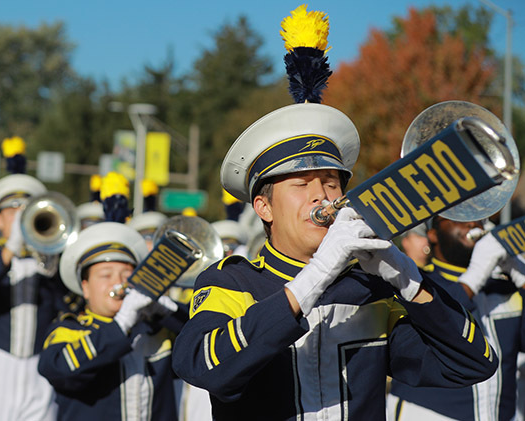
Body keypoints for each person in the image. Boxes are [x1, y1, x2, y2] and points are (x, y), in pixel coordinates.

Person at [171, 5, 498, 420]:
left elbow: (474, 363)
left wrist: (409, 281)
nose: (322, 197)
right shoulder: (232, 281)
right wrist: (315, 278)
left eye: (331, 183)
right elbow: (201, 365)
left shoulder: (371, 292)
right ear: (263, 206)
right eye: (301, 184)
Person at [0, 137, 66, 421]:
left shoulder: (48, 254)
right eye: (12, 210)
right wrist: (9, 251)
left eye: (26, 209)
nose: (20, 217)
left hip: (38, 366)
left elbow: (67, 300)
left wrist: (47, 259)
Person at [38, 222, 185, 420]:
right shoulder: (68, 329)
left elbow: (205, 341)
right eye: (106, 275)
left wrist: (168, 311)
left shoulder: (156, 329)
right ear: (86, 287)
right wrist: (121, 324)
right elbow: (58, 370)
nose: (119, 283)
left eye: (127, 275)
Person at [387, 216, 525, 420]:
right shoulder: (415, 283)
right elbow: (441, 317)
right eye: (458, 218)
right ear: (432, 234)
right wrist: (475, 276)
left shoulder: (504, 287)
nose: (472, 223)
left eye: (479, 218)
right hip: (428, 413)